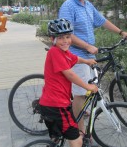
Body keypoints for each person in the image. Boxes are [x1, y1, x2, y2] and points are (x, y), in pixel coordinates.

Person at [59, 0, 127, 134]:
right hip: (75, 55)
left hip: (89, 54)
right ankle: (80, 132)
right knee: (80, 94)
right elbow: (66, 34)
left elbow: (103, 21)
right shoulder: (68, 6)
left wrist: (121, 32)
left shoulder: (87, 5)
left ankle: (80, 110)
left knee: (89, 88)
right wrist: (87, 47)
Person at [39, 18, 98, 147]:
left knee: (65, 131)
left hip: (54, 103)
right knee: (77, 140)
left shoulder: (63, 52)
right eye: (60, 38)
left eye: (67, 37)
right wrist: (88, 86)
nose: (65, 41)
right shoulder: (54, 52)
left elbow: (75, 58)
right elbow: (70, 74)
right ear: (52, 39)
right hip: (57, 105)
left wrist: (87, 61)